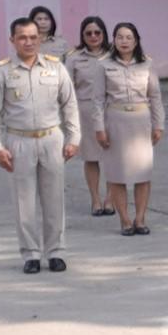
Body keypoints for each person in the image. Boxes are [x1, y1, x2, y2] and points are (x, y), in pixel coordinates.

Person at [0, 15, 81, 274]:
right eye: (22, 37)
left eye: (33, 37)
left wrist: (74, 138)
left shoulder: (55, 67)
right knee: (24, 202)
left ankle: (56, 251)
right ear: (12, 40)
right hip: (19, 140)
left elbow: (69, 103)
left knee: (54, 199)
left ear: (40, 39)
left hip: (51, 139)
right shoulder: (1, 71)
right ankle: (31, 254)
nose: (28, 42)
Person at [97, 22, 165, 236]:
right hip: (115, 120)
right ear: (114, 40)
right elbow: (98, 99)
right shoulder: (103, 65)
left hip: (140, 121)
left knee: (142, 173)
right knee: (117, 173)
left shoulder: (147, 64)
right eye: (120, 37)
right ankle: (125, 220)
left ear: (136, 41)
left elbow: (155, 97)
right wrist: (99, 128)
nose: (124, 41)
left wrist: (158, 125)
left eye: (128, 37)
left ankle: (140, 218)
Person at [66, 15, 116, 218]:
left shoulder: (116, 54)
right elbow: (67, 88)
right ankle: (95, 198)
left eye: (97, 32)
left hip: (112, 110)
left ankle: (111, 199)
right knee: (91, 157)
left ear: (104, 33)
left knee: (113, 158)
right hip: (85, 112)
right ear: (82, 35)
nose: (93, 36)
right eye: (89, 33)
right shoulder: (74, 57)